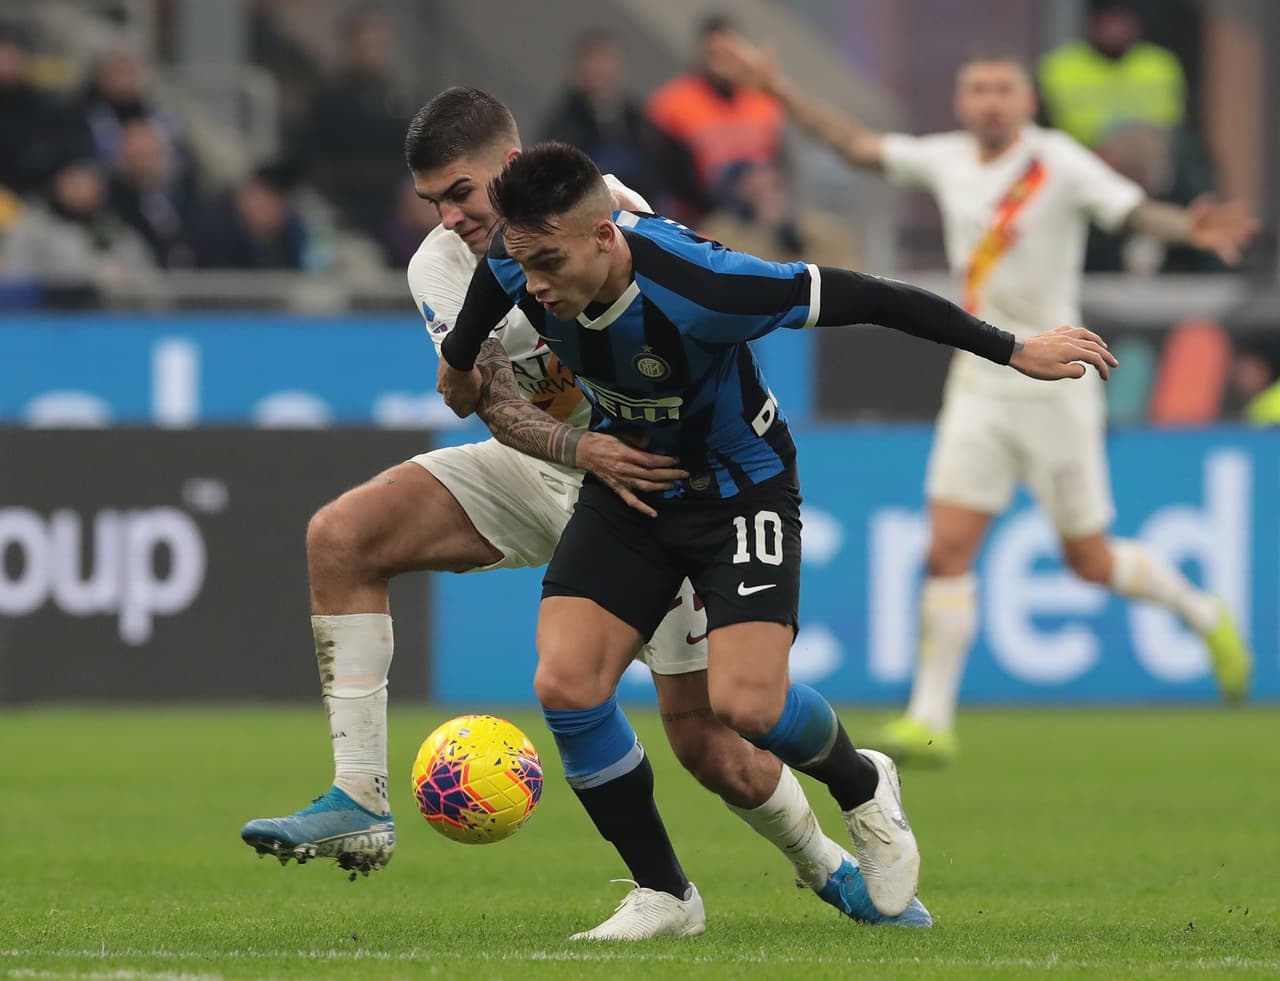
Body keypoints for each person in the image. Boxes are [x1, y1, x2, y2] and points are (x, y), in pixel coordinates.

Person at [240, 87, 933, 939]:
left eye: (459, 193)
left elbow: (700, 313)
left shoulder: (604, 216)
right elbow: (484, 394)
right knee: (341, 536)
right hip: (557, 466)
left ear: (511, 166)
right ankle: (361, 797)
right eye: (432, 203)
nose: (449, 217)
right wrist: (576, 448)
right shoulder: (438, 266)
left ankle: (830, 864)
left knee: (716, 748)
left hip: (653, 480)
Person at [437, 142, 1118, 932]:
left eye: (550, 262)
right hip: (631, 490)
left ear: (604, 234)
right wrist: (459, 361)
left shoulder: (705, 285)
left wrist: (1013, 348)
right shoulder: (522, 259)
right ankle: (665, 893)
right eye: (527, 263)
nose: (538, 284)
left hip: (737, 489)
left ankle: (861, 782)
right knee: (565, 684)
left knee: (746, 705)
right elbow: (494, 273)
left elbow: (873, 297)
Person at [717, 40, 1256, 765]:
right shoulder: (943, 158)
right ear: (962, 100)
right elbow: (857, 147)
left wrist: (1186, 227)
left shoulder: (1058, 162)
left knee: (1088, 561)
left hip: (1056, 388)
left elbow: (1131, 214)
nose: (991, 101)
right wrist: (778, 86)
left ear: (1027, 100)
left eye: (1003, 88)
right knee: (946, 547)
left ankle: (1201, 610)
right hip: (980, 381)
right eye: (979, 89)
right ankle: (931, 718)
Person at [645, 14, 784, 223]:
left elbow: (779, 162)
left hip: (761, 215)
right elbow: (668, 175)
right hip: (701, 219)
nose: (723, 64)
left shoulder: (763, 101)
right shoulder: (672, 105)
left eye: (728, 53)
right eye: (715, 54)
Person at [541, 29, 663, 207]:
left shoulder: (637, 119)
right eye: (591, 61)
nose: (598, 69)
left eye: (605, 60)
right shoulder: (563, 124)